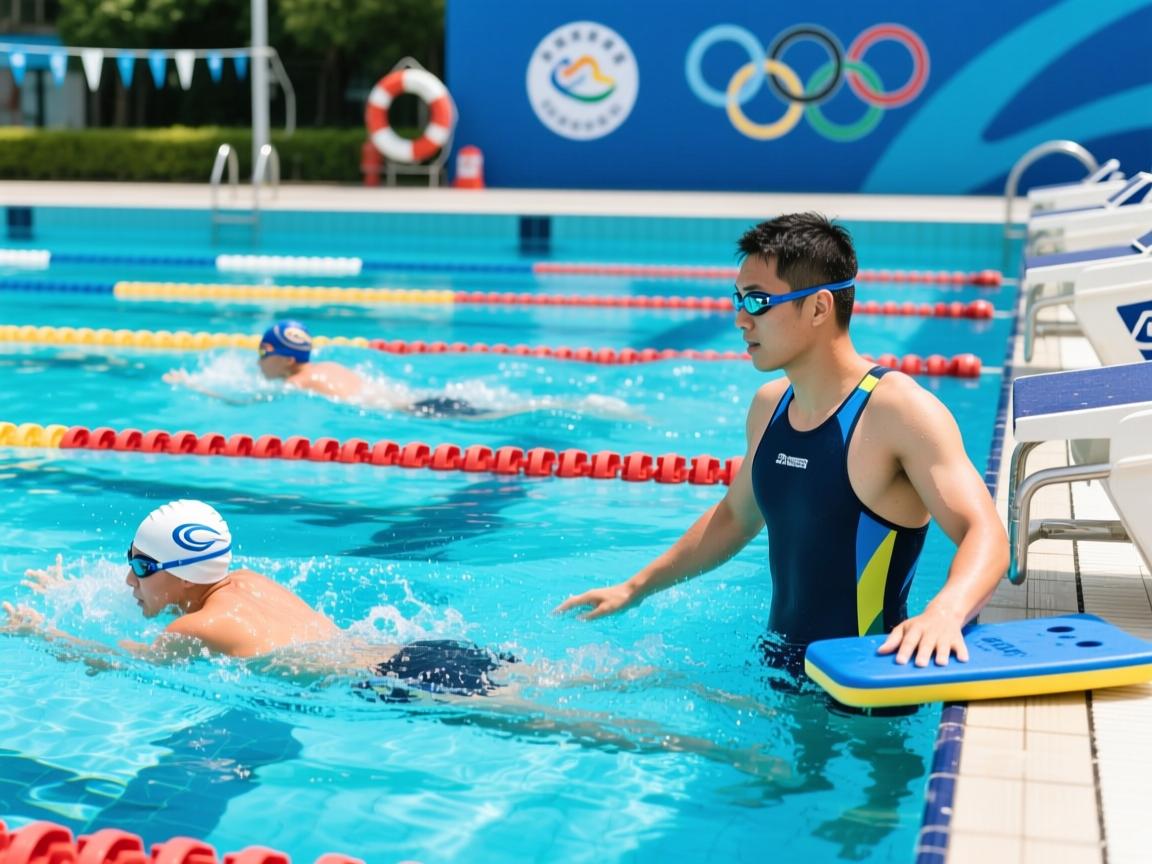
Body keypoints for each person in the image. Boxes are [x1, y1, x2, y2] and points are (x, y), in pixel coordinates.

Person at [556, 213, 1009, 670]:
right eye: (738, 299)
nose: (739, 319)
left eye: (758, 301)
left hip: (862, 688)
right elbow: (735, 517)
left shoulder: (899, 412)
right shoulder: (769, 405)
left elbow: (984, 532)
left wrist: (945, 613)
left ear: (818, 308)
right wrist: (634, 588)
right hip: (775, 669)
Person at [2, 499, 515, 700]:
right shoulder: (246, 580)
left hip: (399, 680)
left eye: (140, 565)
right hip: (427, 651)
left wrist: (38, 633)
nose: (127, 579)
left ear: (181, 575)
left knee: (578, 728)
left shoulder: (192, 629)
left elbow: (113, 661)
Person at [165, 319, 644, 421]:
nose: (256, 362)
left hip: (420, 412)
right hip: (415, 398)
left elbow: (247, 400)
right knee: (506, 407)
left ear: (285, 358)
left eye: (261, 354)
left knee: (503, 414)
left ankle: (584, 406)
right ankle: (581, 402)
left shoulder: (300, 382)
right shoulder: (325, 366)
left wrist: (197, 389)